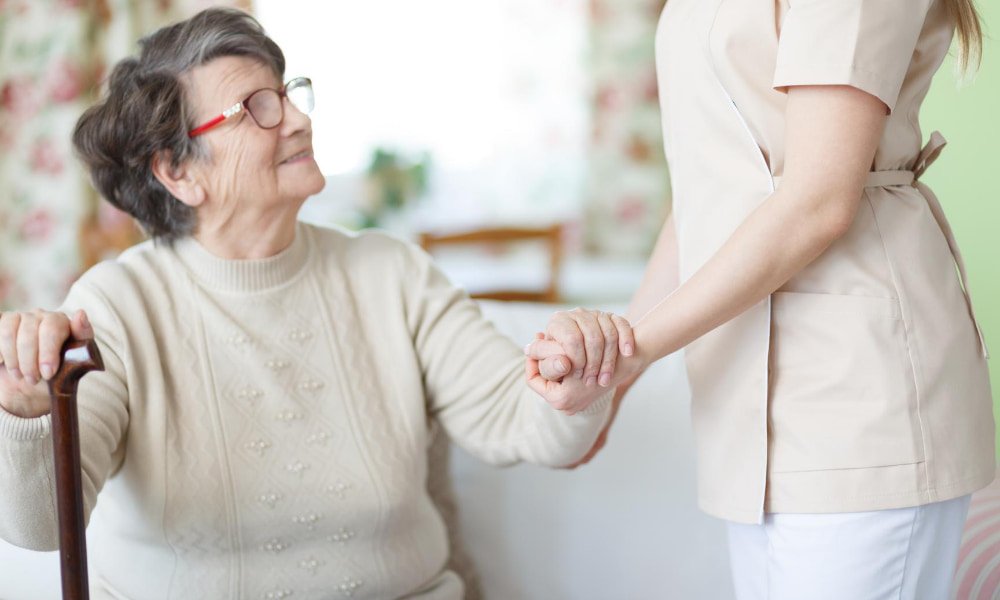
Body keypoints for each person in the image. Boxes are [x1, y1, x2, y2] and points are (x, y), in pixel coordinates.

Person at [0, 9, 631, 599]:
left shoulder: (392, 273)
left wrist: (571, 382)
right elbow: (44, 527)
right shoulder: (117, 306)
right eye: (256, 108)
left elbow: (520, 419)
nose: (298, 120)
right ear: (178, 171)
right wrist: (26, 413)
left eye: (287, 92)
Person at [527, 0, 995, 597]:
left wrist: (633, 352)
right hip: (745, 402)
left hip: (854, 391)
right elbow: (709, 193)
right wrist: (617, 366)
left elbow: (817, 203)